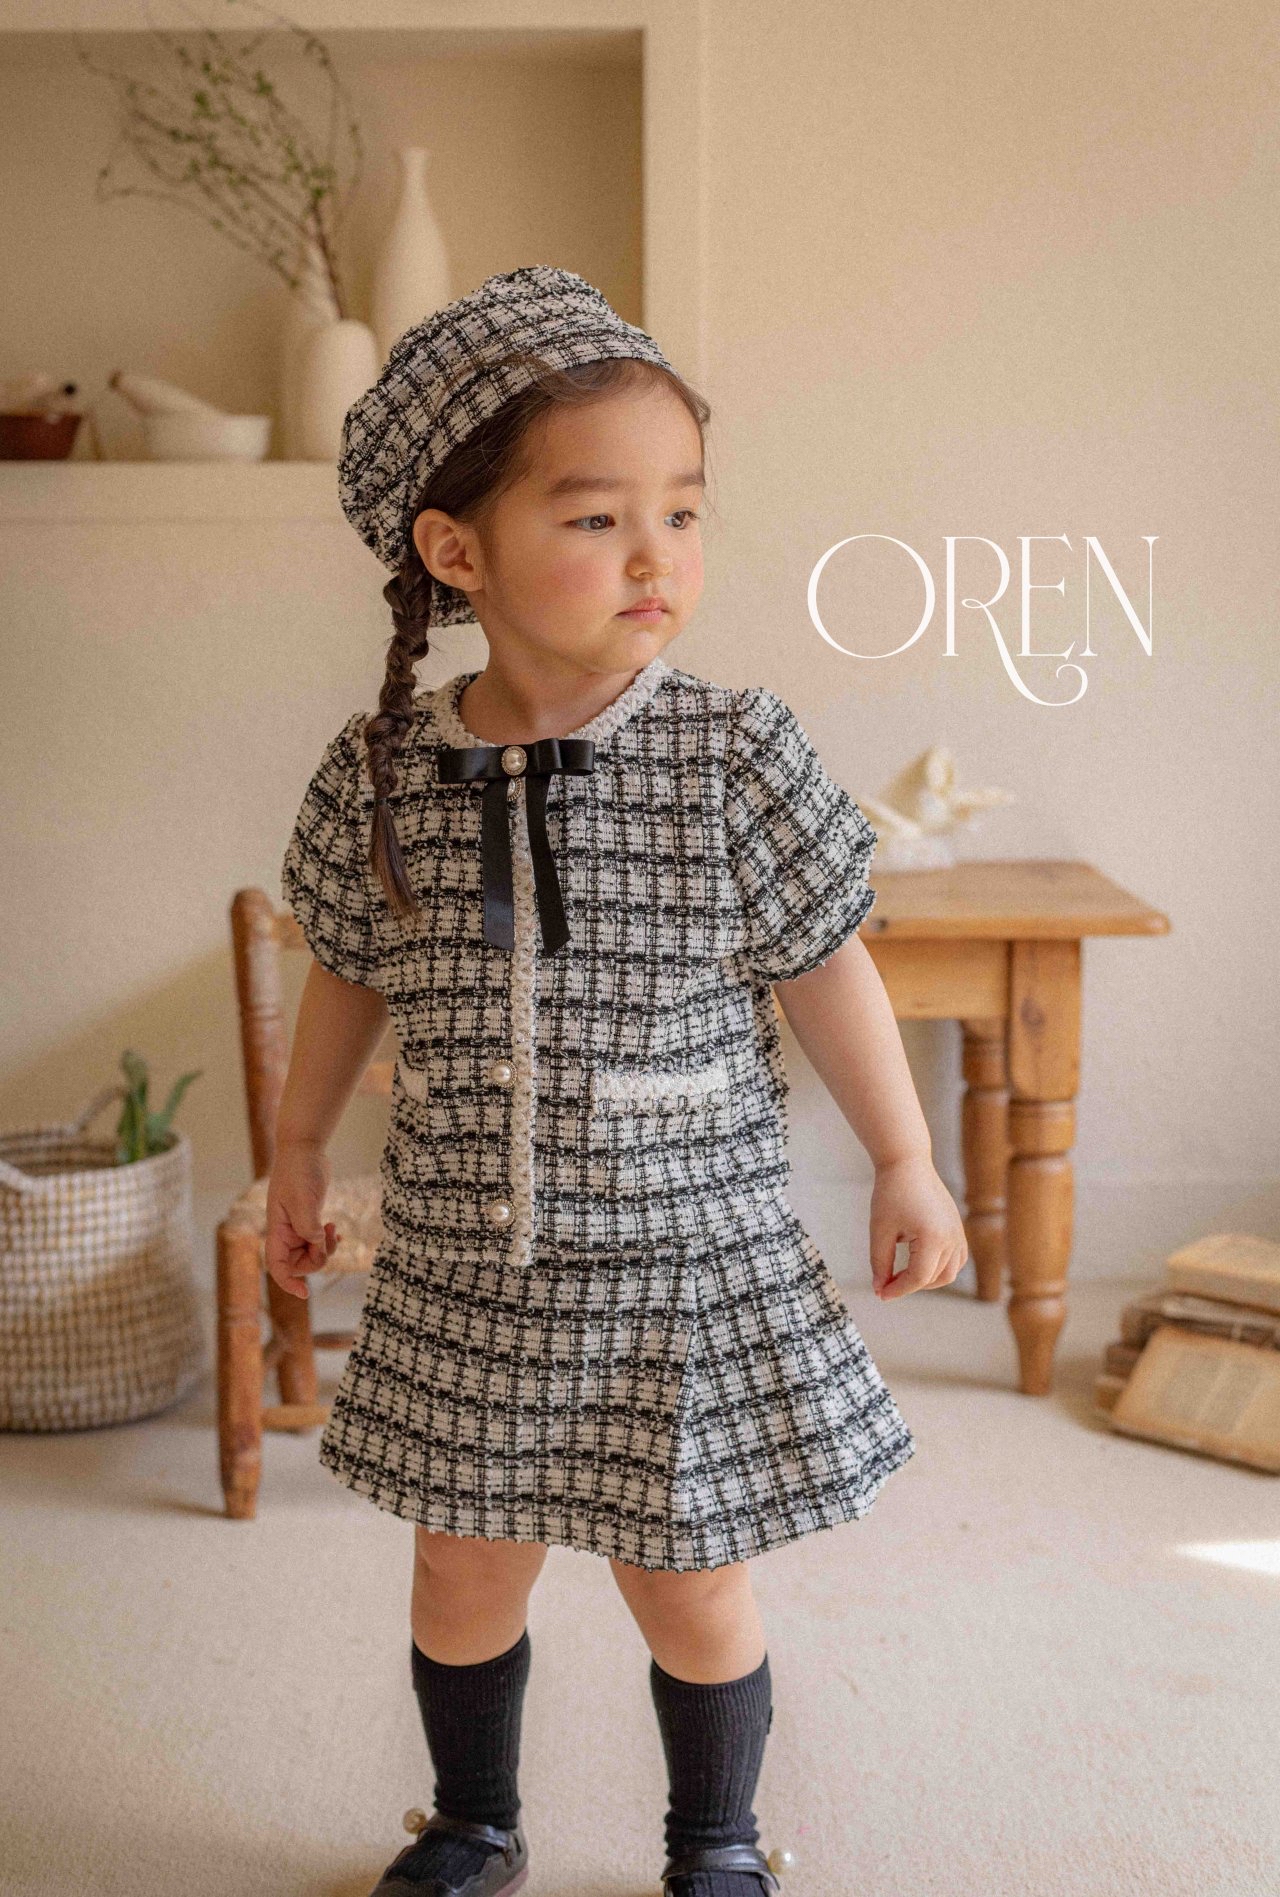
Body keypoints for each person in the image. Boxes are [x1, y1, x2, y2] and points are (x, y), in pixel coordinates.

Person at [267, 265, 968, 1897]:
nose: (658, 556)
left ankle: (714, 1839)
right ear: (457, 551)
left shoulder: (734, 750)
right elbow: (349, 963)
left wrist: (905, 1154)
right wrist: (298, 1141)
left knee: (691, 1583)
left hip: (678, 1260)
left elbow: (825, 960)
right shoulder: (385, 769)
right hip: (470, 1262)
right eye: (598, 517)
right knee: (461, 1573)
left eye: (684, 512)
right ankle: (472, 1819)